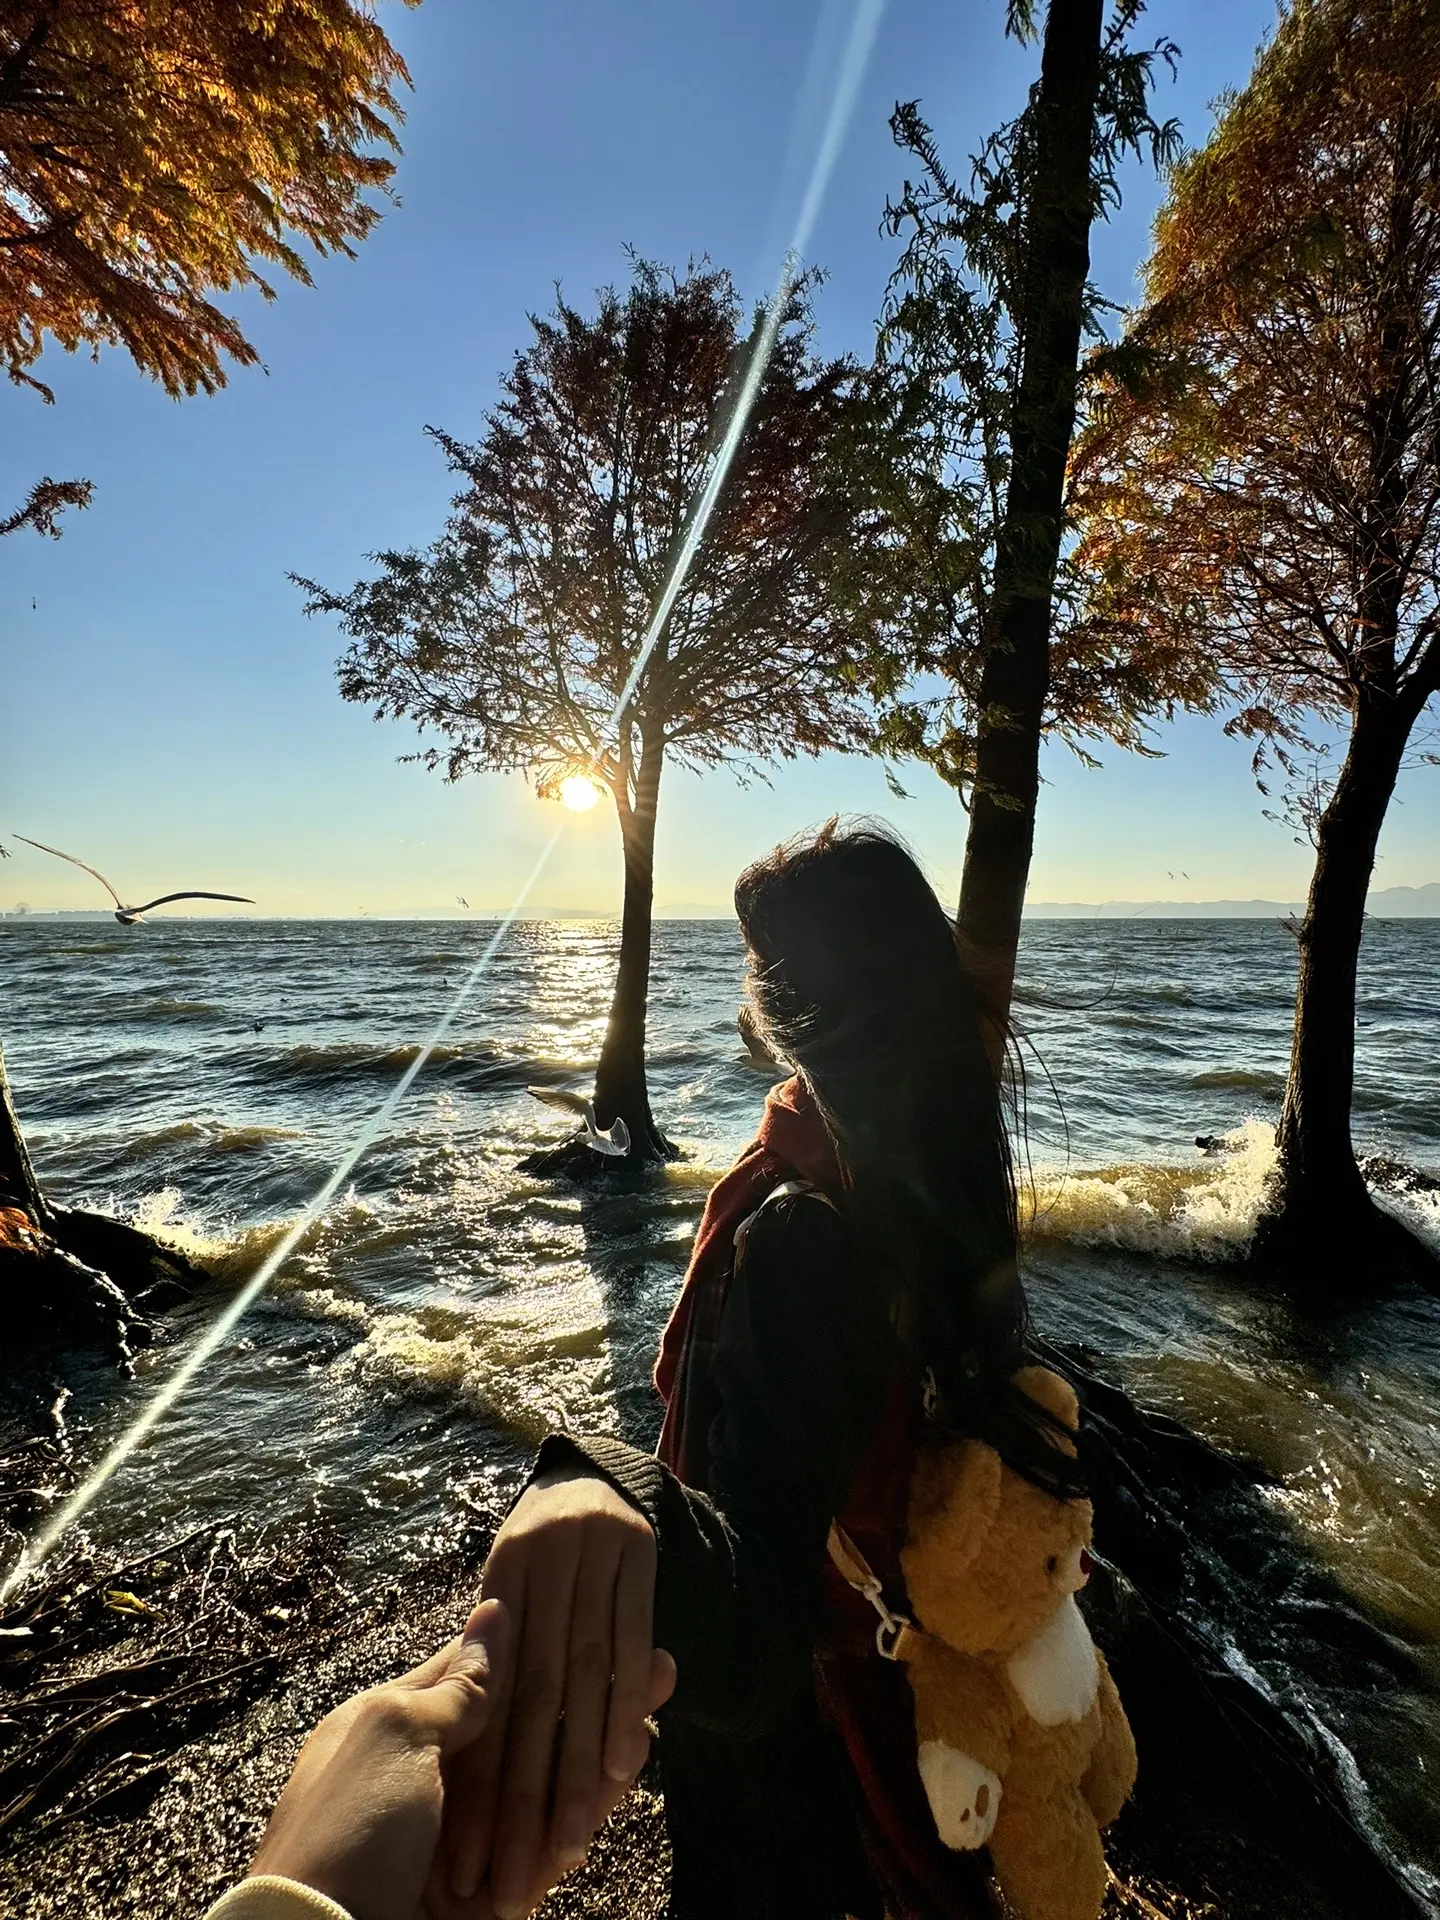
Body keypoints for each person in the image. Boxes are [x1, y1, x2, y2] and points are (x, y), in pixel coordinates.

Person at [442, 821, 1087, 1920]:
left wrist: (595, 1482)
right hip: (909, 1695)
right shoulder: (937, 1177)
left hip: (813, 1758)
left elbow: (757, 1636)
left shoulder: (803, 1235)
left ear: (784, 1005)